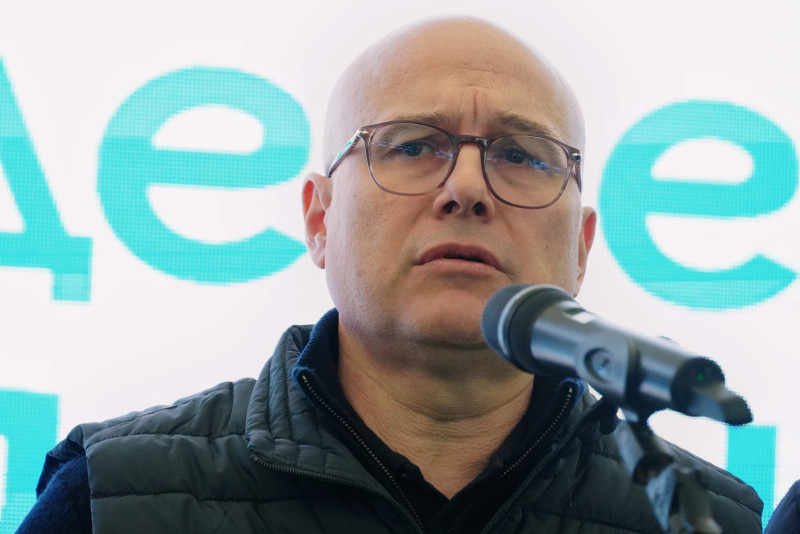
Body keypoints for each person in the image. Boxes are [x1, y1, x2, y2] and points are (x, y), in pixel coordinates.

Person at [18, 16, 762, 534]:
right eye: (411, 146)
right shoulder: (113, 497)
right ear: (320, 218)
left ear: (581, 248)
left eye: (521, 155)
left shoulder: (714, 521)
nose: (466, 188)